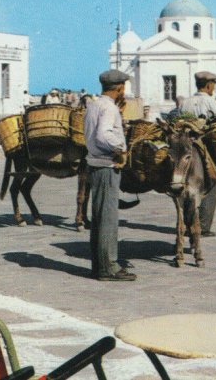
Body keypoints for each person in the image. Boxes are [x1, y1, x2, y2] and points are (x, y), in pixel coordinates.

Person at [84, 69, 136, 281]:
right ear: (120, 88)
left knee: (98, 218)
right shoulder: (109, 108)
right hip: (107, 166)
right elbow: (103, 134)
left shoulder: (94, 105)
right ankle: (109, 267)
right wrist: (120, 149)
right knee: (108, 218)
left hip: (94, 164)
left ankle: (99, 265)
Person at [180, 71, 216, 236]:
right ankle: (203, 226)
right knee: (211, 183)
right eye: (213, 85)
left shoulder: (185, 103)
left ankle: (188, 222)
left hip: (186, 149)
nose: (214, 88)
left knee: (188, 186)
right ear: (208, 85)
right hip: (205, 149)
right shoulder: (211, 102)